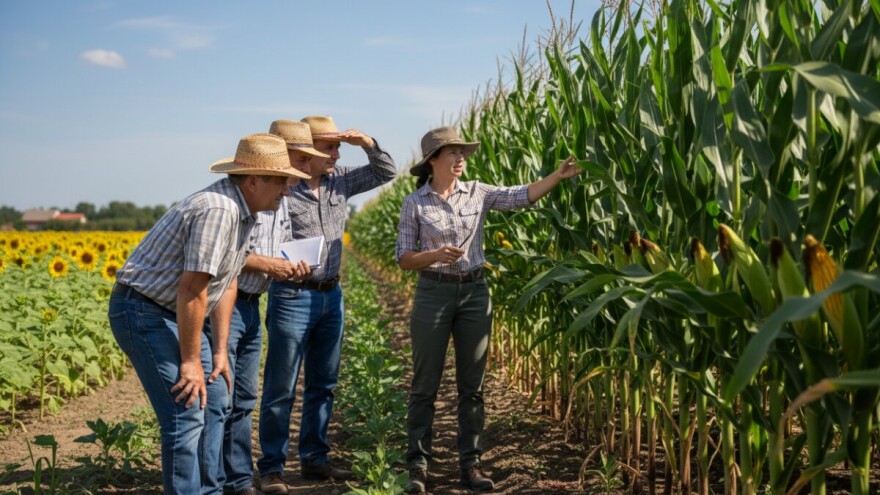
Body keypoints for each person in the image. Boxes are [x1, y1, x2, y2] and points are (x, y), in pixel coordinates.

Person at [108, 133, 310, 495]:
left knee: (216, 397)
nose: (287, 189)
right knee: (185, 412)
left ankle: (209, 489)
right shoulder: (220, 210)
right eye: (280, 180)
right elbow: (192, 288)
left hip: (175, 312)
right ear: (253, 180)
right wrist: (190, 361)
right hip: (144, 311)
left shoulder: (246, 213)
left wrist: (218, 352)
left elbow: (227, 282)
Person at [395, 126, 581, 493]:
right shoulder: (415, 203)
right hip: (433, 292)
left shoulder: (478, 192)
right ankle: (417, 466)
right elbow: (403, 258)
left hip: (474, 294)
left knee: (472, 386)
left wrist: (557, 177)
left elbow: (522, 196)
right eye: (453, 153)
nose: (461, 158)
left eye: (463, 152)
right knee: (425, 385)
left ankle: (471, 463)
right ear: (433, 160)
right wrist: (434, 255)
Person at [257, 115, 396, 493]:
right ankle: (271, 467)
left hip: (331, 295)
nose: (335, 154)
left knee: (324, 383)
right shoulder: (281, 189)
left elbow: (386, 172)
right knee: (281, 386)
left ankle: (315, 458)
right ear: (306, 151)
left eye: (337, 147)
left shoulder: (341, 179)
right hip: (292, 295)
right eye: (328, 147)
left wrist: (366, 142)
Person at [219, 121, 326, 495]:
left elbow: (276, 249)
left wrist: (291, 264)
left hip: (250, 304)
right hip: (226, 304)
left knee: (244, 398)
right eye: (286, 172)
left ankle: (237, 479)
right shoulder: (234, 204)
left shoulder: (277, 203)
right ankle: (224, 479)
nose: (290, 182)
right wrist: (272, 265)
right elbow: (231, 257)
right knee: (224, 398)